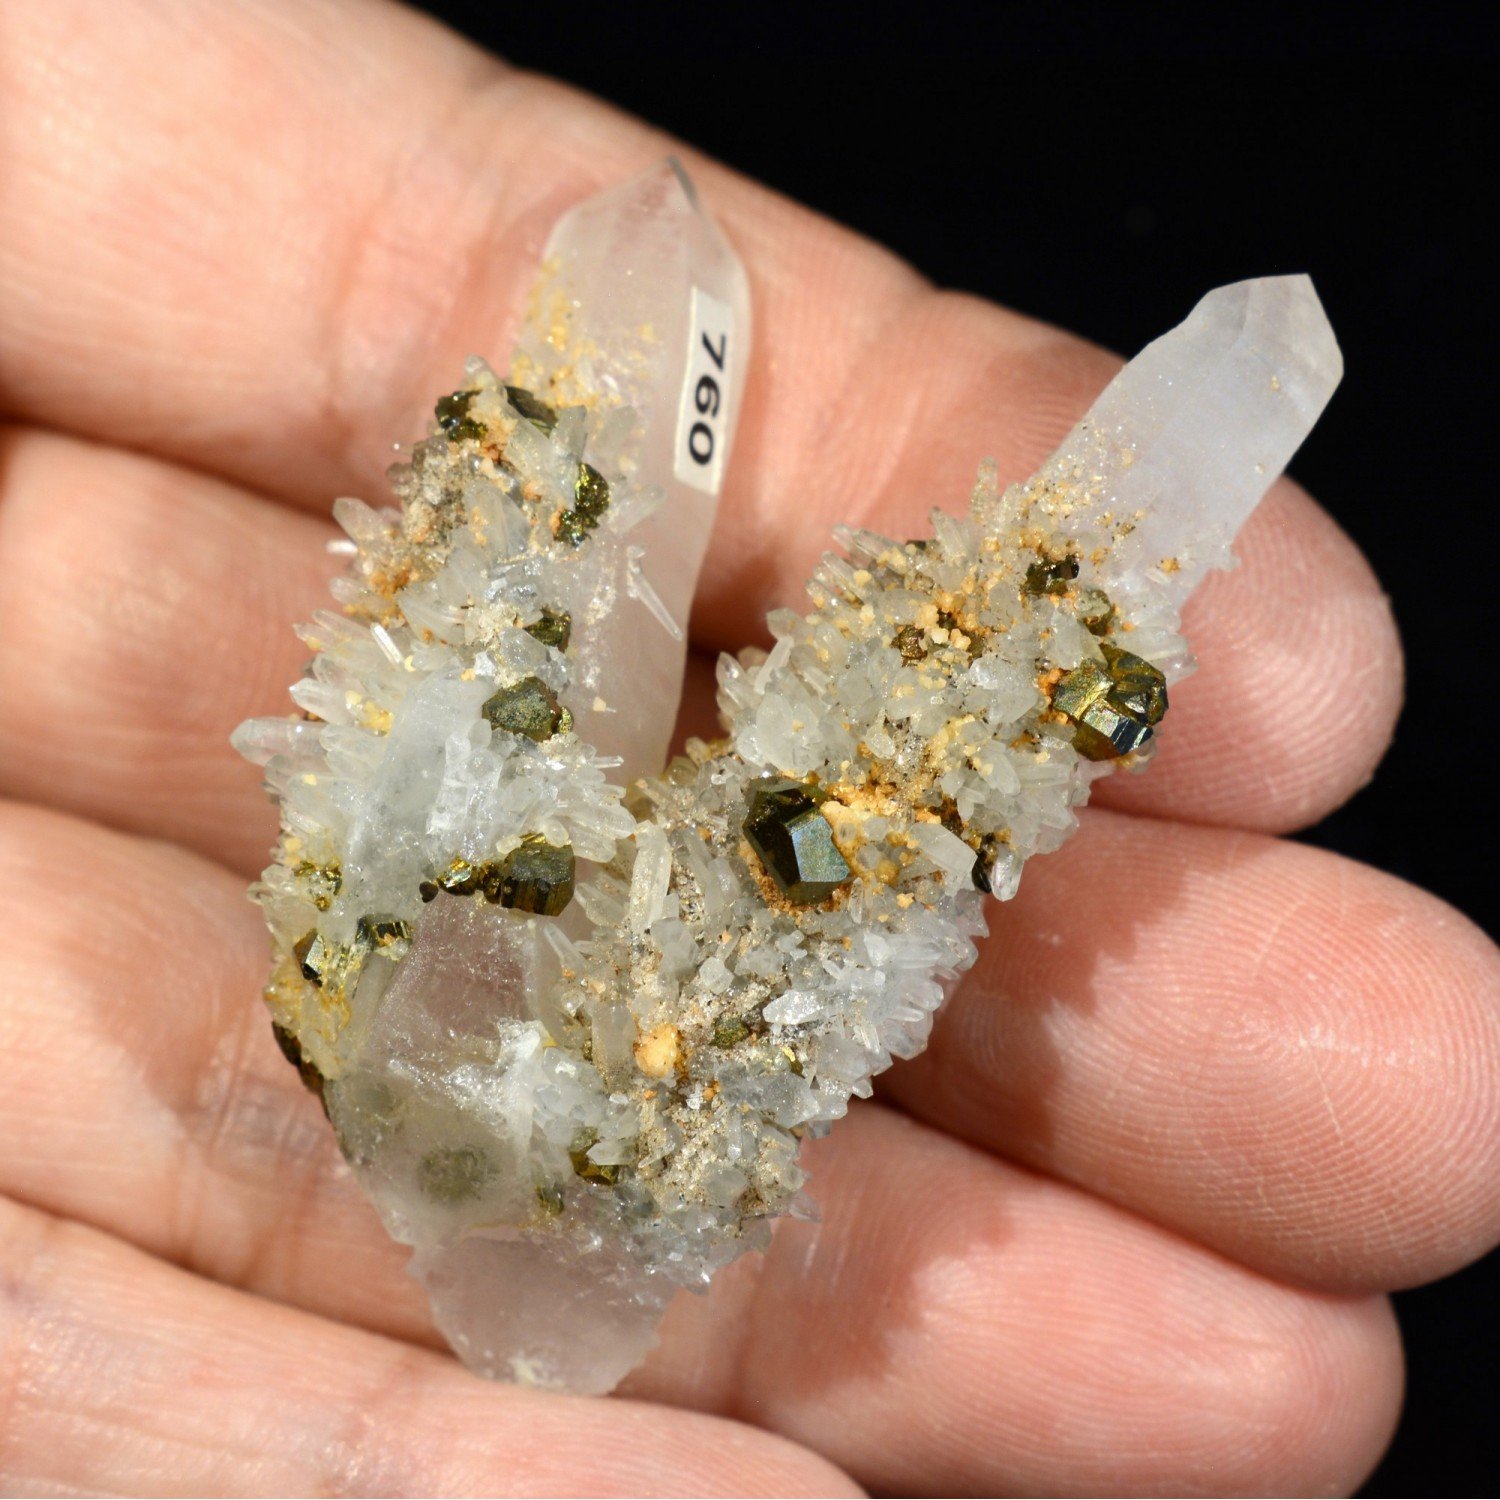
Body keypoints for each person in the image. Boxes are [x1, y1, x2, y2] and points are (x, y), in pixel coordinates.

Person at [0, 3, 1495, 1494]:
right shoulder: (502, 1075)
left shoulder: (548, 1077)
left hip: (588, 1043)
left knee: (860, 738)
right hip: (555, 1044)